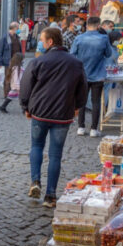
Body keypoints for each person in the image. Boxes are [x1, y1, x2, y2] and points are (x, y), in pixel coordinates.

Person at [20, 27, 87, 208]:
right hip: (63, 115)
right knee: (55, 154)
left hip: (40, 113)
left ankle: (35, 181)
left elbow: (25, 85)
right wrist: (78, 106)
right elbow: (83, 87)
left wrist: (25, 106)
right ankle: (50, 196)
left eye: (42, 40)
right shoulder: (75, 63)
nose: (41, 43)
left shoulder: (39, 61)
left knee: (36, 146)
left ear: (50, 42)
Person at [70, 17, 115, 137]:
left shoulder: (79, 38)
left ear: (87, 25)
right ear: (98, 25)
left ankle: (81, 126)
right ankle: (94, 129)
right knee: (96, 102)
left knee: (82, 101)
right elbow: (109, 54)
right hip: (98, 74)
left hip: (82, 74)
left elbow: (72, 55)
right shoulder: (104, 38)